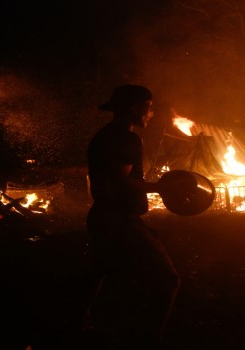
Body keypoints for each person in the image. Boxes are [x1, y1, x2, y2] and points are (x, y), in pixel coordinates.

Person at [82, 84, 181, 348]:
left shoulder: (108, 135)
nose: (151, 114)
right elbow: (121, 182)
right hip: (119, 220)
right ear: (136, 108)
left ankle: (79, 323)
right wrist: (162, 187)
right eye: (149, 108)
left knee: (99, 270)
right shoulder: (124, 139)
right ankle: (150, 340)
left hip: (105, 217)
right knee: (167, 279)